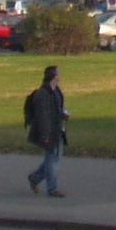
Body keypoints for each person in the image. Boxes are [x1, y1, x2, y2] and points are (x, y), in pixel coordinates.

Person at [25, 64, 69, 198]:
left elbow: (56, 108)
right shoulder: (43, 94)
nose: (59, 76)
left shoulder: (56, 91)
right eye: (58, 73)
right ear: (54, 76)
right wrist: (45, 134)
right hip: (50, 132)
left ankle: (35, 178)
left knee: (54, 158)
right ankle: (52, 188)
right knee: (52, 159)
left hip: (57, 129)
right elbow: (43, 116)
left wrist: (63, 114)